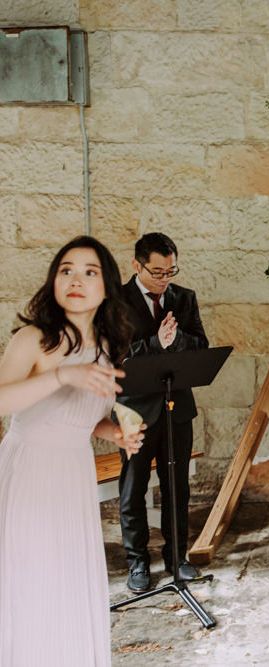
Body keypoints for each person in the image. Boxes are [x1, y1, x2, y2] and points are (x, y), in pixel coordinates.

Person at [0, 236, 144, 666]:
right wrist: (62, 375)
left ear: (107, 287)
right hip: (30, 472)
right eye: (66, 270)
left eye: (89, 272)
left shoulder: (106, 348)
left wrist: (114, 433)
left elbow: (80, 418)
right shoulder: (33, 339)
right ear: (53, 280)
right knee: (31, 580)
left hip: (73, 475)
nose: (75, 280)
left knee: (67, 579)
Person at [118, 232, 209, 593]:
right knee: (133, 488)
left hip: (177, 408)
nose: (164, 279)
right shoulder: (115, 302)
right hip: (134, 411)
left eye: (170, 271)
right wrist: (157, 344)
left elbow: (201, 345)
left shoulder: (184, 298)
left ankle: (177, 558)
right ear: (136, 265)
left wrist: (178, 340)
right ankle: (137, 562)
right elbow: (116, 356)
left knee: (177, 487)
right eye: (157, 272)